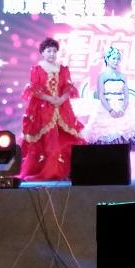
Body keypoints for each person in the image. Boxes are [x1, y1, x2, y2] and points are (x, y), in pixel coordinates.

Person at [80, 47, 135, 180]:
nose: (116, 61)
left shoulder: (122, 76)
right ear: (107, 59)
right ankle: (106, 171)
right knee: (104, 136)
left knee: (128, 137)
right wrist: (110, 110)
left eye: (118, 59)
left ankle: (131, 171)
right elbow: (101, 95)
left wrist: (122, 109)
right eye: (113, 58)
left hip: (122, 109)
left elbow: (126, 95)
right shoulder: (102, 76)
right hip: (105, 108)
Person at [19, 38, 84, 181]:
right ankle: (46, 172)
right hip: (43, 109)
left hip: (62, 108)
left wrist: (61, 99)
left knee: (65, 140)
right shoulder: (37, 69)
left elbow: (68, 87)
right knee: (48, 141)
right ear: (42, 52)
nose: (52, 54)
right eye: (49, 51)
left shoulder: (63, 69)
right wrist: (50, 99)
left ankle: (62, 171)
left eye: (54, 51)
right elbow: (35, 89)